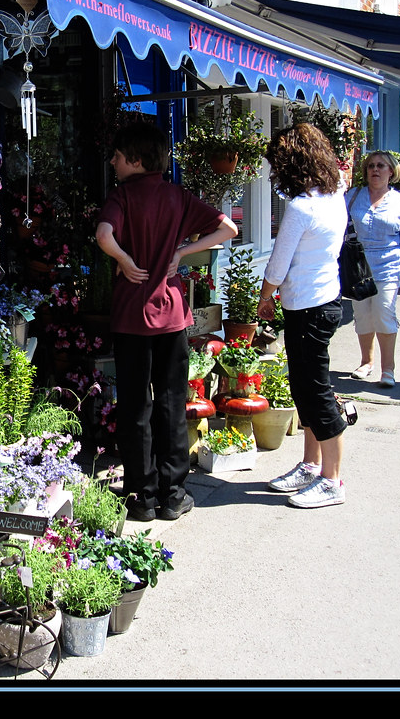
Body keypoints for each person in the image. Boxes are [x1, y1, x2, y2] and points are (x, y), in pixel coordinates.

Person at [96, 121, 238, 522]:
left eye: (119, 156)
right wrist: (183, 252)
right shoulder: (178, 196)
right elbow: (228, 228)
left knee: (135, 407)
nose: (113, 162)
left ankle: (141, 496)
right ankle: (173, 494)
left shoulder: (121, 196)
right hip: (172, 315)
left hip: (130, 319)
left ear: (136, 160)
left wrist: (124, 261)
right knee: (174, 402)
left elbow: (104, 235)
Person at [258, 122, 348, 508]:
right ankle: (311, 465)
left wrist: (264, 297)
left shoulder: (301, 207)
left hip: (308, 307)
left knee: (315, 391)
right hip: (322, 301)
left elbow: (278, 262)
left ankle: (332, 481)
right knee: (305, 388)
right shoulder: (334, 194)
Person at [344, 152, 400, 388]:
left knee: (383, 312)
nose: (375, 170)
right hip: (358, 265)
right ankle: (366, 362)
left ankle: (388, 369)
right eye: (371, 166)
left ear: (391, 171)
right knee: (362, 314)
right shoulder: (352, 196)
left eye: (381, 166)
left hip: (388, 265)